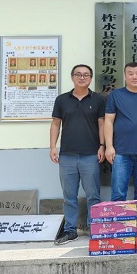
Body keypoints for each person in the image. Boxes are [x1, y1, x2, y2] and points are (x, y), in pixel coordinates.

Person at [50, 64, 105, 245]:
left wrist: (102, 146)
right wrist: (52, 147)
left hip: (90, 155)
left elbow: (102, 124)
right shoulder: (62, 100)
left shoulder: (98, 99)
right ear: (72, 77)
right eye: (78, 74)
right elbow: (56, 124)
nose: (82, 77)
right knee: (69, 197)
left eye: (86, 75)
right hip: (67, 156)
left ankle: (95, 227)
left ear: (90, 78)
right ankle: (70, 230)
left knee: (93, 195)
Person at [104, 62, 137, 201]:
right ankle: (118, 216)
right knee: (118, 192)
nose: (134, 77)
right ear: (125, 76)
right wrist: (109, 146)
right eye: (130, 74)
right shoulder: (115, 95)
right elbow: (108, 121)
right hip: (121, 152)